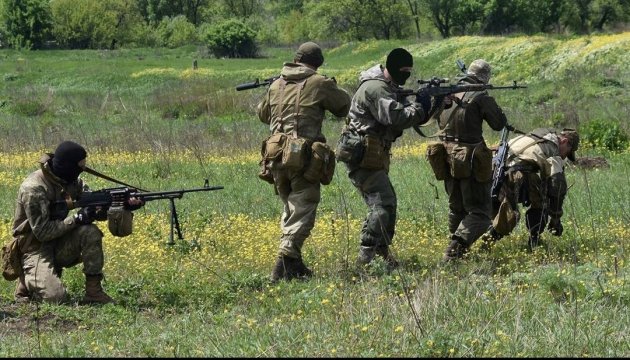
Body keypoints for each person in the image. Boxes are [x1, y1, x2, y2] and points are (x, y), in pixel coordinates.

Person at [256, 41, 351, 282]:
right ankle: (284, 262)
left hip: (275, 155)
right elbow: (343, 106)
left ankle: (295, 265)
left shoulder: (277, 83)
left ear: (296, 59)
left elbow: (262, 114)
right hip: (302, 156)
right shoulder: (319, 83)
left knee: (290, 207)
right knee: (304, 205)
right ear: (317, 64)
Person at [336, 47, 434, 269]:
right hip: (363, 156)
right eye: (403, 71)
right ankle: (365, 259)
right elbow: (395, 117)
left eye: (409, 72)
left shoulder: (386, 87)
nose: (406, 76)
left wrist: (430, 105)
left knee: (388, 205)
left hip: (373, 154)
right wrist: (421, 107)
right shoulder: (375, 88)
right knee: (382, 205)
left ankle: (381, 254)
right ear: (390, 68)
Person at [11, 141, 142, 304]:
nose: (81, 170)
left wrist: (120, 205)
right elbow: (42, 233)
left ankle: (93, 292)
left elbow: (93, 208)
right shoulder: (34, 188)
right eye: (79, 166)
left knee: (90, 232)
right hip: (34, 248)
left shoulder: (71, 181)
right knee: (56, 298)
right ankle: (27, 278)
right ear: (67, 166)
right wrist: (77, 218)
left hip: (58, 241)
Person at [427, 59, 508, 261]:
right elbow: (499, 124)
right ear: (485, 78)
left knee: (457, 208)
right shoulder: (480, 97)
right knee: (481, 213)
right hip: (470, 161)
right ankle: (455, 251)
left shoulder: (447, 94)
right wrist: (488, 100)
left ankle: (455, 249)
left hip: (446, 158)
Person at [481, 128, 579, 250]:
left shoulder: (534, 136)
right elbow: (557, 187)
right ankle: (533, 240)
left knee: (496, 212)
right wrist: (555, 218)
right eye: (568, 153)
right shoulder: (551, 150)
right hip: (512, 175)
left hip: (489, 171)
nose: (564, 157)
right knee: (527, 208)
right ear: (564, 141)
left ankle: (486, 241)